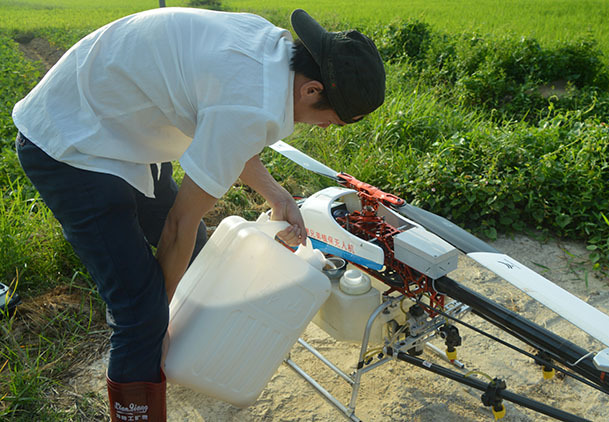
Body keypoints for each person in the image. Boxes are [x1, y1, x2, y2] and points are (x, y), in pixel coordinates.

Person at [12, 7, 385, 421]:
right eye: (329, 121)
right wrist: (158, 324)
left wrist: (276, 194)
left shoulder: (271, 50)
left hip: (122, 125)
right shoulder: (252, 103)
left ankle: (173, 355)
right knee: (141, 311)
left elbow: (229, 136)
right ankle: (141, 378)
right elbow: (178, 223)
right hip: (70, 144)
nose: (324, 128)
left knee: (195, 255)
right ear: (312, 90)